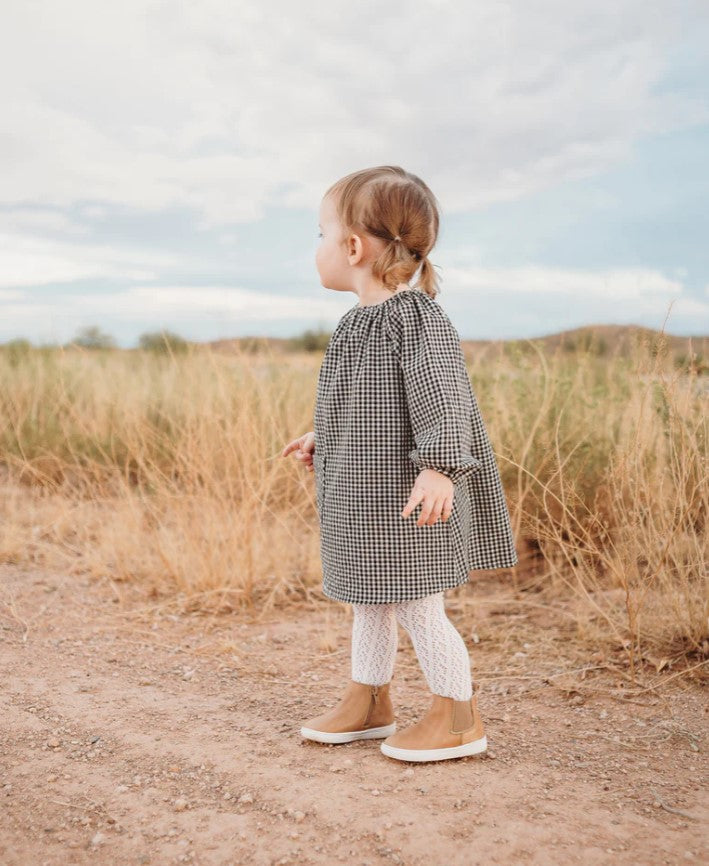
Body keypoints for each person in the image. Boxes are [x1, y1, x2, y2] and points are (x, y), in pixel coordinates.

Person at [282, 165, 518, 763]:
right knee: (369, 597)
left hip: (409, 497)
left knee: (416, 600)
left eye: (320, 233)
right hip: (365, 493)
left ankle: (457, 714)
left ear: (354, 247)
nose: (318, 246)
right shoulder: (357, 323)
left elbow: (443, 398)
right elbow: (364, 398)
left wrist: (441, 466)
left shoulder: (416, 319)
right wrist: (322, 435)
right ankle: (370, 701)